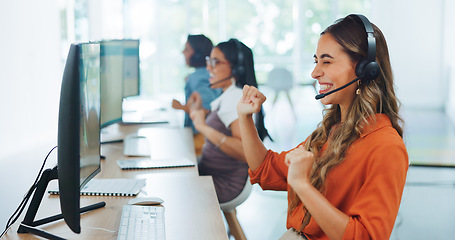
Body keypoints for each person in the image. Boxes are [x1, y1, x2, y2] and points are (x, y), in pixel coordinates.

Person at [237, 14, 408, 240]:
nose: (315, 73)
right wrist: (245, 118)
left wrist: (302, 185)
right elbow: (267, 171)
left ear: (366, 69)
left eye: (326, 61)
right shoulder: (330, 131)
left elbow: (366, 236)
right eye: (316, 61)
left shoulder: (386, 147)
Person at [189, 38, 270, 203]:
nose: (209, 67)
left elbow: (244, 151)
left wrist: (203, 127)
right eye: (209, 61)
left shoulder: (235, 97)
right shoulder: (229, 94)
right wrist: (199, 112)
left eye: (216, 62)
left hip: (224, 184)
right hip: (214, 175)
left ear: (237, 68)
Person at [172, 34, 221, 155]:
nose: (183, 52)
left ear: (197, 54)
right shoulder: (208, 74)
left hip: (202, 140)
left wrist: (181, 107)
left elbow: (206, 109)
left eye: (187, 49)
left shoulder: (197, 77)